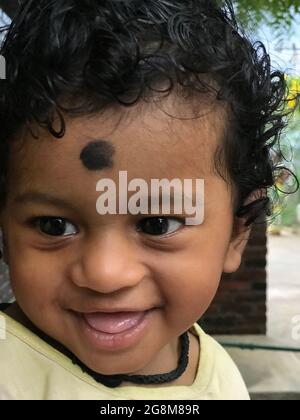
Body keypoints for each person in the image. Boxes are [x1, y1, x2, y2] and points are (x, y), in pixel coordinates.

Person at [0, 0, 292, 400]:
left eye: (157, 224)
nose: (105, 274)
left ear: (236, 233)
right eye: (55, 226)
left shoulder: (221, 380)